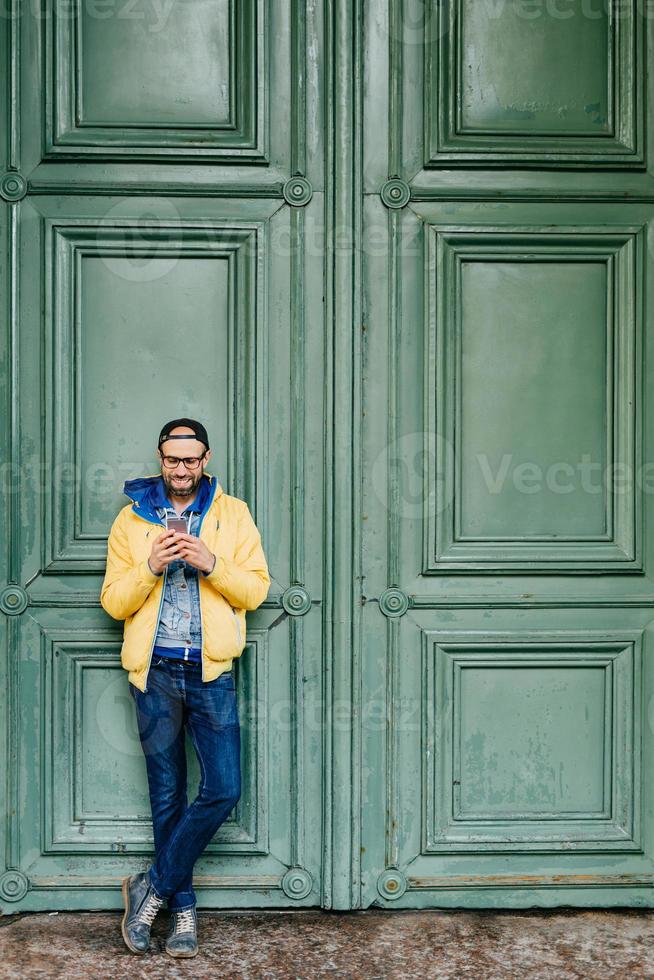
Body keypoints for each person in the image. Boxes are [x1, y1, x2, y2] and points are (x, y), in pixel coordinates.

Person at [100, 418, 270, 958]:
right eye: (172, 460)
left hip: (210, 672)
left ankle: (150, 886)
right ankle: (181, 909)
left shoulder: (232, 514)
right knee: (168, 793)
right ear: (160, 459)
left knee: (223, 788)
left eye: (190, 460)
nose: (181, 469)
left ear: (206, 458)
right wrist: (150, 566)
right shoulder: (132, 521)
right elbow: (113, 603)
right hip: (154, 674)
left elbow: (257, 590)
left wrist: (212, 563)